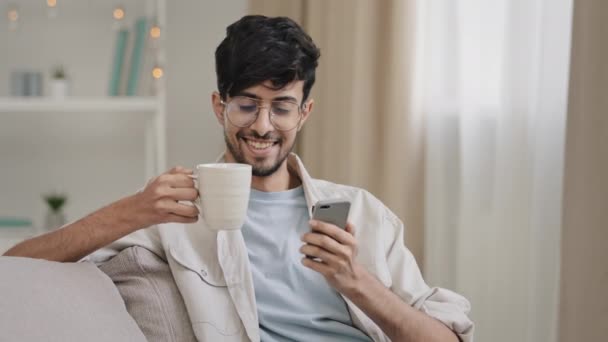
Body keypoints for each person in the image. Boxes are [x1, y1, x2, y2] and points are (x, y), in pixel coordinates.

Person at [4, 15, 473, 342]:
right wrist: (130, 210)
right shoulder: (173, 213)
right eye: (246, 104)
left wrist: (356, 282)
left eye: (282, 106)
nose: (263, 125)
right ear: (219, 105)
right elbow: (17, 266)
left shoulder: (362, 212)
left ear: (304, 112)